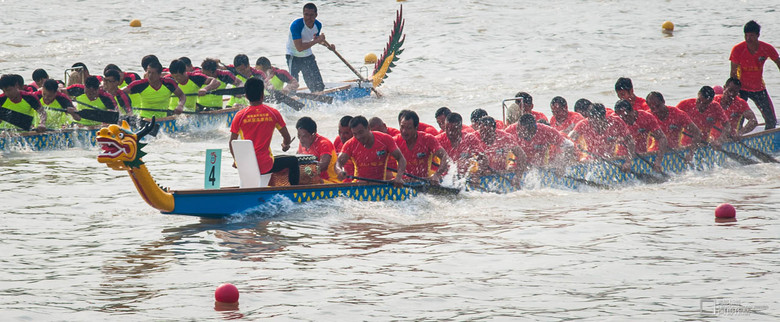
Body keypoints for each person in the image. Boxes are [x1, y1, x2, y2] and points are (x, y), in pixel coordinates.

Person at [229, 77, 298, 185]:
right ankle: (294, 193)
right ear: (262, 95)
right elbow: (287, 137)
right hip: (266, 164)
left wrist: (236, 161)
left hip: (246, 165)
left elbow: (232, 143)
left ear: (246, 96)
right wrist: (285, 145)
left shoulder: (240, 116)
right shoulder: (273, 113)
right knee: (293, 161)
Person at [729, 20, 780, 129]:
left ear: (758, 35)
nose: (748, 39)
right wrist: (733, 92)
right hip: (741, 89)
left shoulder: (766, 48)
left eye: (751, 36)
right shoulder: (738, 49)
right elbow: (733, 74)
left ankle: (769, 143)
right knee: (737, 122)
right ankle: (737, 140)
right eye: (746, 35)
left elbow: (778, 62)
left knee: (771, 120)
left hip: (759, 88)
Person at [335, 115, 407, 186]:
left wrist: (399, 177)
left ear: (368, 128)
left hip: (381, 184)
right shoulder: (350, 144)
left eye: (361, 132)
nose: (358, 137)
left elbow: (401, 158)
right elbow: (339, 163)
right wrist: (340, 171)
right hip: (359, 185)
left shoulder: (385, 139)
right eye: (355, 134)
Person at [569, 103, 635, 172]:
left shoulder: (616, 122)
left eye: (598, 121)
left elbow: (630, 142)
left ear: (604, 117)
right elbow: (569, 141)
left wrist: (628, 161)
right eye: (592, 121)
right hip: (590, 161)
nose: (595, 124)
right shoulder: (583, 124)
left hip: (611, 159)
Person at [286, 2, 334, 92]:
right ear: (303, 14)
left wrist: (328, 46)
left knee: (318, 86)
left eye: (311, 15)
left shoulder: (318, 25)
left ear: (316, 15)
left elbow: (316, 39)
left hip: (307, 56)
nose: (308, 18)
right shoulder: (296, 25)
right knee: (293, 86)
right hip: (293, 56)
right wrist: (317, 40)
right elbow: (299, 48)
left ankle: (318, 99)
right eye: (306, 15)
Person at [395, 110, 450, 184]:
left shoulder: (428, 139)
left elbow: (445, 157)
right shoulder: (395, 141)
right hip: (404, 183)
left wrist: (437, 175)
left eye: (409, 128)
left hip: (424, 182)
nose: (404, 131)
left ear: (416, 127)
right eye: (402, 127)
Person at [614, 99, 668, 171]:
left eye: (626, 116)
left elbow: (662, 138)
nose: (624, 120)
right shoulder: (616, 121)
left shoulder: (646, 117)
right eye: (621, 117)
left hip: (641, 156)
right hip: (621, 158)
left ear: (632, 111)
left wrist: (658, 160)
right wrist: (628, 161)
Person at [474, 116, 526, 184]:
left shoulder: (505, 137)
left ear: (494, 130)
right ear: (479, 129)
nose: (484, 135)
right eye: (482, 132)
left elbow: (522, 156)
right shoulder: (473, 138)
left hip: (500, 173)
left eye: (488, 132)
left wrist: (518, 176)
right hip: (480, 174)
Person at [296, 116, 339, 183]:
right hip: (313, 180)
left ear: (313, 134)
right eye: (299, 136)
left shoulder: (324, 144)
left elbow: (323, 166)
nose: (301, 140)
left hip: (330, 182)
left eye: (304, 136)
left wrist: (305, 170)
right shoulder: (302, 144)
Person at [333, 115, 355, 180]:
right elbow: (335, 160)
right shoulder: (338, 140)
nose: (342, 136)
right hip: (342, 181)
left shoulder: (360, 143)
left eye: (346, 133)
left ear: (354, 132)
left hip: (357, 181)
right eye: (340, 132)